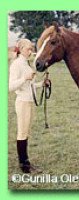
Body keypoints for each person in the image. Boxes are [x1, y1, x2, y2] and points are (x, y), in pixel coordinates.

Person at [9, 38, 45, 173]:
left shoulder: (26, 64)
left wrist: (41, 84)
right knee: (22, 132)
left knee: (26, 132)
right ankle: (24, 164)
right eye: (28, 48)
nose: (31, 51)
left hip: (29, 102)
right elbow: (10, 86)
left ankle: (25, 162)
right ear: (21, 49)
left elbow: (29, 85)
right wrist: (25, 78)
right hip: (22, 102)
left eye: (31, 48)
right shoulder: (16, 64)